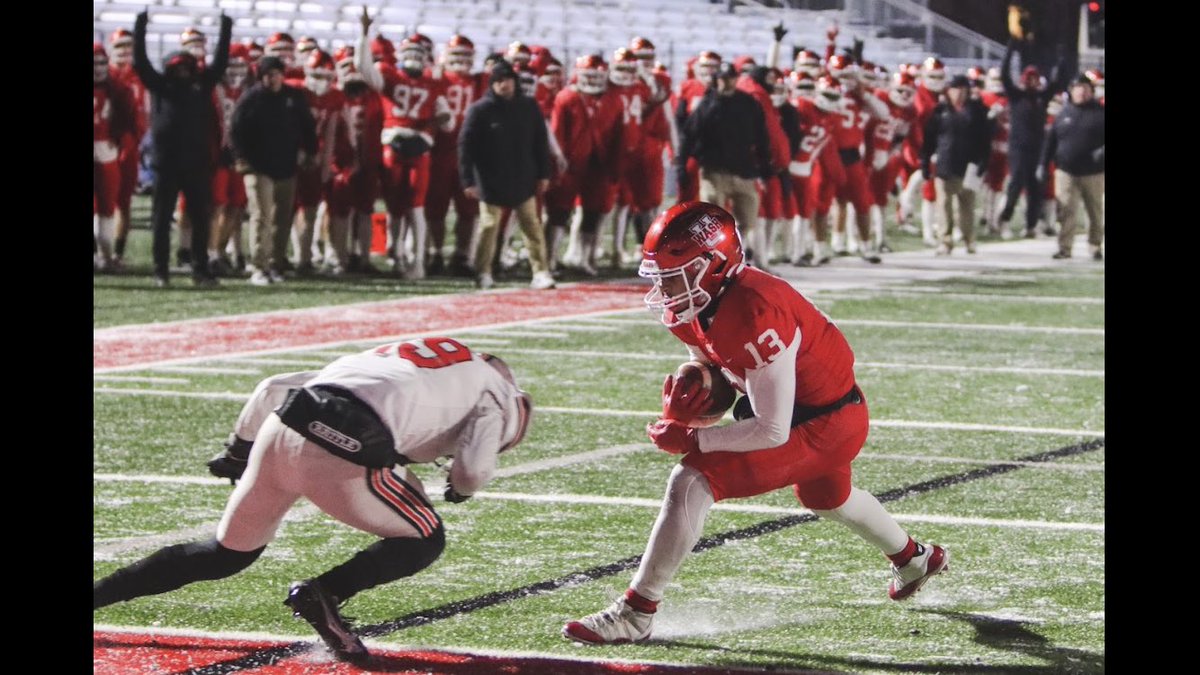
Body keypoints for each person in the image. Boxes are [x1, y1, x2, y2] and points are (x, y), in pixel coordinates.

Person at [562, 201, 948, 645]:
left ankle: (636, 612)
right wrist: (697, 384)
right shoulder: (703, 300)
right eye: (661, 275)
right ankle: (914, 558)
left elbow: (771, 429)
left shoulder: (754, 309)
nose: (666, 286)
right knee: (828, 497)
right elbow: (712, 360)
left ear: (713, 264)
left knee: (692, 480)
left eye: (676, 273)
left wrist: (693, 436)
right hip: (821, 412)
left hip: (824, 421)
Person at [96, 339, 534, 664]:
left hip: (285, 422)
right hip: (349, 441)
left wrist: (238, 450)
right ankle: (326, 592)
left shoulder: (398, 357)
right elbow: (473, 471)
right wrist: (460, 489)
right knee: (425, 537)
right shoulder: (498, 394)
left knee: (224, 553)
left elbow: (272, 387)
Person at [133, 9, 232, 286]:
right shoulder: (160, 86)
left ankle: (200, 270)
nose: (182, 72)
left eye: (186, 67)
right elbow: (140, 62)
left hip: (197, 164)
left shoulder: (202, 84)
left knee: (201, 218)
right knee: (161, 220)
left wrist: (226, 25)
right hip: (165, 165)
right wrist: (140, 24)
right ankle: (160, 270)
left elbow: (221, 61)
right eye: (177, 67)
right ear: (168, 68)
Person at [459, 60, 556, 290]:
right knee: (489, 226)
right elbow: (465, 146)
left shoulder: (529, 107)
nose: (505, 85)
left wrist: (543, 173)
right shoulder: (480, 110)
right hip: (490, 179)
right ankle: (483, 271)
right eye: (499, 81)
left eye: (508, 80)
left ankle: (541, 271)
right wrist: (468, 180)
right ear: (492, 84)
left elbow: (540, 142)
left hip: (522, 178)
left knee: (532, 225)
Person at [230, 56, 318, 286]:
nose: (272, 78)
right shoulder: (252, 98)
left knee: (283, 218)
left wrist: (311, 151)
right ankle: (259, 266)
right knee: (262, 215)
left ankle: (276, 263)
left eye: (276, 73)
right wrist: (242, 158)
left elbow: (308, 126)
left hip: (286, 165)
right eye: (268, 74)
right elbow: (236, 128)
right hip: (258, 166)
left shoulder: (293, 97)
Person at [676, 63, 771, 261]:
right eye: (722, 78)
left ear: (736, 79)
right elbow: (689, 135)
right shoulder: (707, 104)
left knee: (748, 219)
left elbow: (761, 135)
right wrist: (682, 165)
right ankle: (712, 257)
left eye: (729, 78)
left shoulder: (748, 103)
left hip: (743, 170)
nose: (726, 82)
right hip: (714, 170)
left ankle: (740, 256)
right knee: (711, 218)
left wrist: (764, 165)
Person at [997, 39, 1069, 239]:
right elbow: (1004, 76)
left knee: (1035, 187)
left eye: (1034, 79)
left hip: (1037, 148)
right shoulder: (1016, 96)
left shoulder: (1041, 98)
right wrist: (1010, 51)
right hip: (1018, 148)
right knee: (1016, 184)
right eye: (1028, 79)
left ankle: (1030, 225)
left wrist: (1061, 58)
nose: (1031, 82)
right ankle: (1005, 219)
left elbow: (1058, 82)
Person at [920, 75, 992, 255]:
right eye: (955, 89)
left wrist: (983, 162)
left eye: (962, 89)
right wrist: (925, 162)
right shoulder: (940, 110)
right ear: (949, 91)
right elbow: (929, 138)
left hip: (969, 164)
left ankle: (969, 239)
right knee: (943, 204)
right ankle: (945, 240)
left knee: (967, 205)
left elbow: (985, 138)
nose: (958, 93)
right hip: (945, 162)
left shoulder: (977, 111)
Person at [1040, 74, 1105, 260]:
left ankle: (1095, 245)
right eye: (1078, 87)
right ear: (1071, 91)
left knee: (1094, 210)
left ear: (1091, 91)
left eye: (1085, 88)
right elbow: (1050, 142)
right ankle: (1065, 247)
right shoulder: (1064, 113)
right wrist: (1042, 164)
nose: (1081, 91)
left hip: (1093, 171)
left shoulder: (1100, 113)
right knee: (1066, 209)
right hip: (1066, 170)